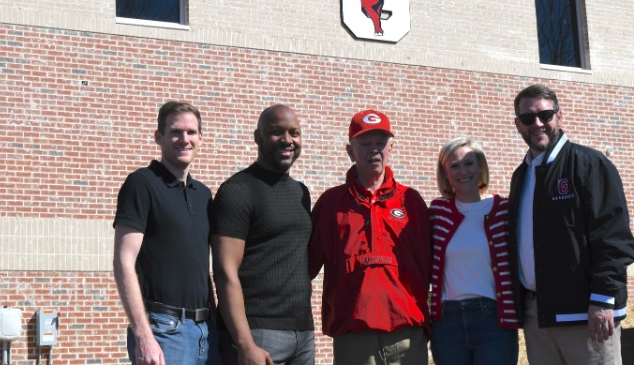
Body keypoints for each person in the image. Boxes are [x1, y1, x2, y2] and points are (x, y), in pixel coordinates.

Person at [508, 83, 634, 365]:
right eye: (528, 118)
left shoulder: (589, 164)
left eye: (545, 115)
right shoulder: (521, 176)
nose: (537, 123)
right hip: (538, 317)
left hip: (588, 315)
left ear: (559, 116)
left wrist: (602, 299)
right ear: (518, 124)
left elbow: (613, 238)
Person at [309, 109, 431, 365]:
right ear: (350, 151)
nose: (374, 150)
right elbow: (304, 267)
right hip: (354, 339)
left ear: (391, 148)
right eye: (365, 144)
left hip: (407, 337)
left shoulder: (411, 201)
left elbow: (433, 267)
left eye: (380, 143)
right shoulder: (331, 204)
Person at [113, 101, 219, 365]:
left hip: (207, 331)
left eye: (191, 132)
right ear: (158, 137)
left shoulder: (203, 194)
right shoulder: (141, 184)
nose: (185, 139)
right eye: (175, 132)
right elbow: (123, 261)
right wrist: (143, 335)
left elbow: (200, 268)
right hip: (164, 332)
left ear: (201, 138)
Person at [210, 104, 314, 365]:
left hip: (303, 332)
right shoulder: (237, 190)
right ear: (258, 137)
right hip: (257, 332)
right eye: (277, 132)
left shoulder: (301, 193)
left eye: (294, 133)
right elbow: (224, 272)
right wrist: (245, 343)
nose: (287, 140)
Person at [429, 137, 519, 365]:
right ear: (445, 173)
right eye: (454, 166)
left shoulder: (503, 210)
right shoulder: (438, 211)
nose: (463, 171)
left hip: (493, 319)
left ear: (480, 166)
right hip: (447, 322)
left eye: (469, 163)